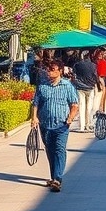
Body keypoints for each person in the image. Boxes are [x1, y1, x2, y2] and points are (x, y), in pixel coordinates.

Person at [30, 60, 79, 192]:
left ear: (60, 71)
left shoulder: (67, 86)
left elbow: (74, 104)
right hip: (45, 124)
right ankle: (53, 177)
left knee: (60, 150)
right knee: (50, 150)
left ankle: (58, 178)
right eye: (48, 69)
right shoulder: (42, 86)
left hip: (62, 124)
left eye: (52, 69)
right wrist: (34, 117)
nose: (49, 71)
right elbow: (35, 103)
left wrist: (70, 118)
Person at [72, 51, 101, 132]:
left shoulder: (77, 65)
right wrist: (98, 85)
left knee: (81, 106)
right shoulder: (93, 66)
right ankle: (88, 124)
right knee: (89, 107)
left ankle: (82, 126)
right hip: (90, 87)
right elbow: (96, 76)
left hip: (80, 87)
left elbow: (74, 75)